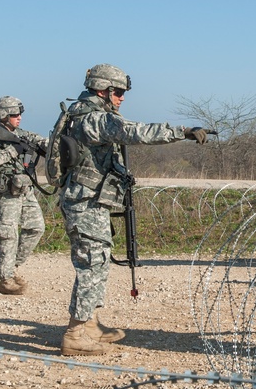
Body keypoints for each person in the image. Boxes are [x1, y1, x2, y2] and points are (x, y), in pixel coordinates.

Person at [59, 63, 209, 356]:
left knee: (99, 261)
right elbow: (135, 131)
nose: (122, 98)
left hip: (89, 201)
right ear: (104, 90)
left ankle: (89, 325)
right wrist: (183, 131)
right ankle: (75, 334)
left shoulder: (79, 114)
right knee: (92, 263)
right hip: (85, 203)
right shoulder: (94, 119)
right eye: (119, 93)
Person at [0, 96, 49, 295]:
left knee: (36, 227)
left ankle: (12, 266)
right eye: (15, 114)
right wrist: (12, 150)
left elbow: (43, 142)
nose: (19, 118)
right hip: (7, 193)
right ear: (3, 115)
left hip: (26, 191)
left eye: (19, 114)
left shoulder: (21, 134)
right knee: (6, 235)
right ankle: (6, 279)